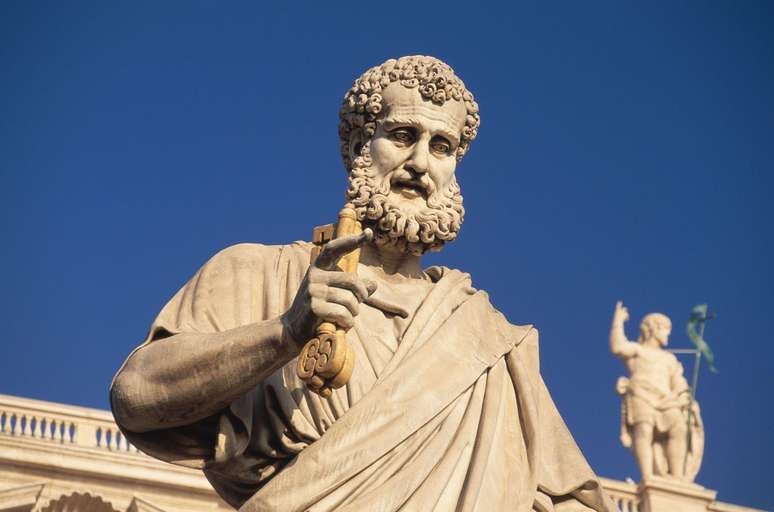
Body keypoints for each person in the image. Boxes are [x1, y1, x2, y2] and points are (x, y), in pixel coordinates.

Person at [111, 55, 615, 512]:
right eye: (402, 135)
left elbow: (567, 498)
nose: (420, 163)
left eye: (442, 147)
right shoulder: (260, 273)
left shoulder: (491, 342)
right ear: (357, 146)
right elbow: (137, 396)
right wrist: (285, 333)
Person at [610, 301, 703, 482]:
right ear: (653, 329)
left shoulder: (669, 359)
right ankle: (648, 477)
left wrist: (683, 395)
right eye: (665, 329)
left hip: (667, 401)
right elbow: (617, 347)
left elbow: (679, 383)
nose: (668, 333)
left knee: (679, 428)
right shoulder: (638, 350)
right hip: (641, 395)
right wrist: (618, 321)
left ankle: (678, 480)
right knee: (644, 430)